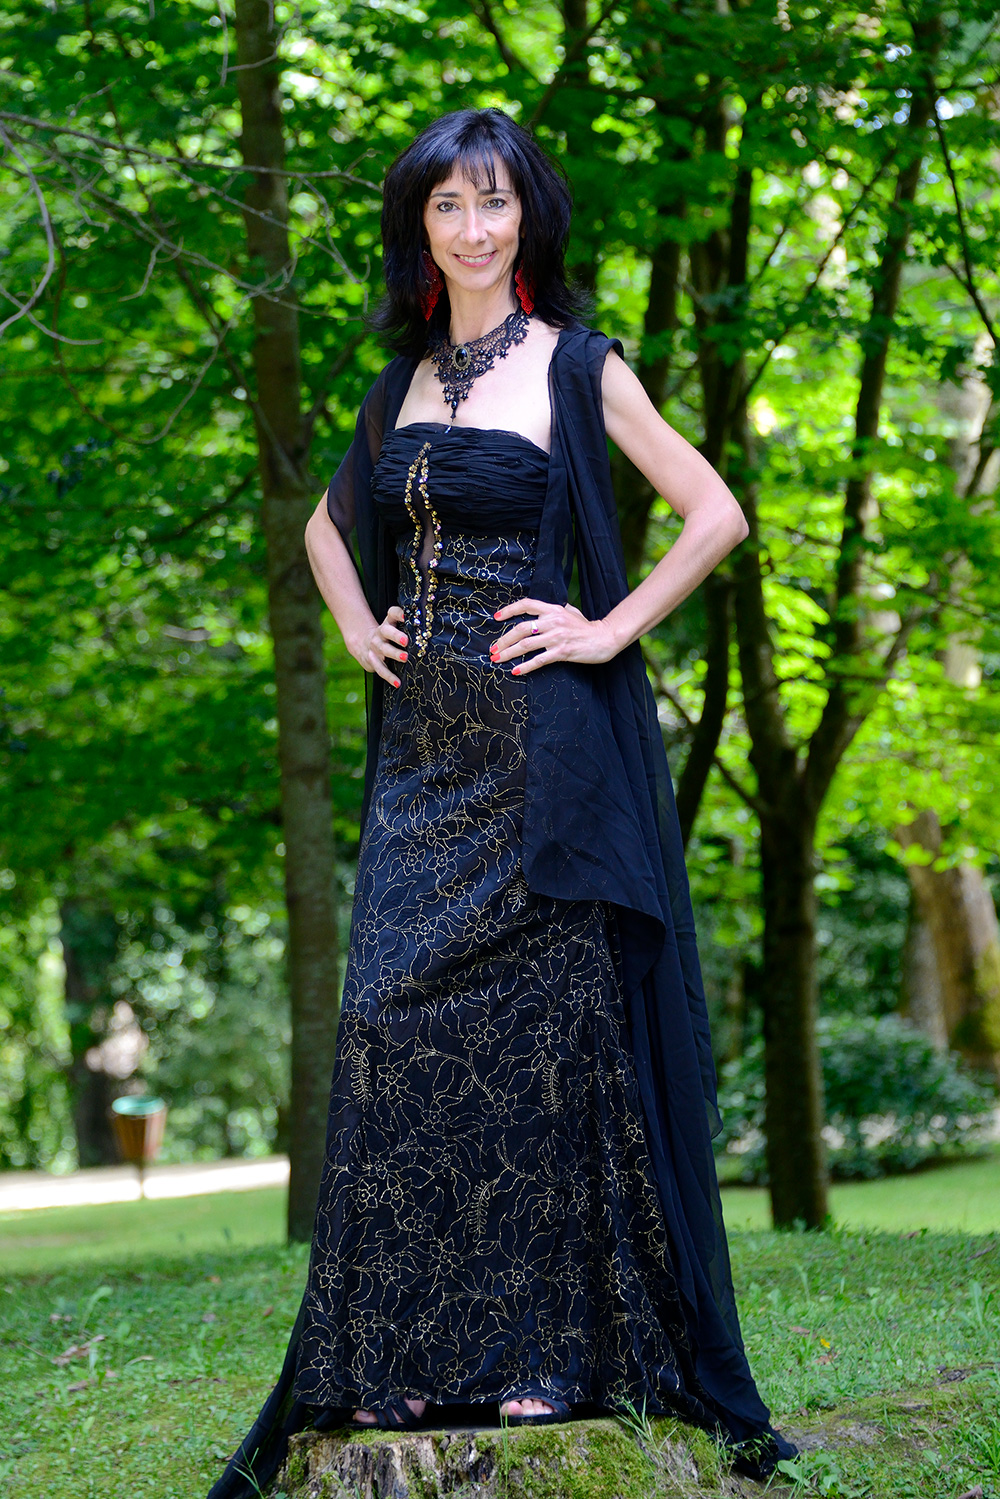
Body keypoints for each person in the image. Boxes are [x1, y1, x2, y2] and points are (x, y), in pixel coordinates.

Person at [207, 106, 796, 1499]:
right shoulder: (398, 384)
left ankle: (546, 1352)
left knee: (542, 1045)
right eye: (448, 207)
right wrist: (357, 623)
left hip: (545, 756)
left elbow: (715, 513)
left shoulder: (580, 366)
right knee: (389, 1024)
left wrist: (605, 627)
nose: (473, 229)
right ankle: (411, 1352)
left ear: (528, 216)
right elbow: (322, 529)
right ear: (419, 227)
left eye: (495, 203)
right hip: (425, 764)